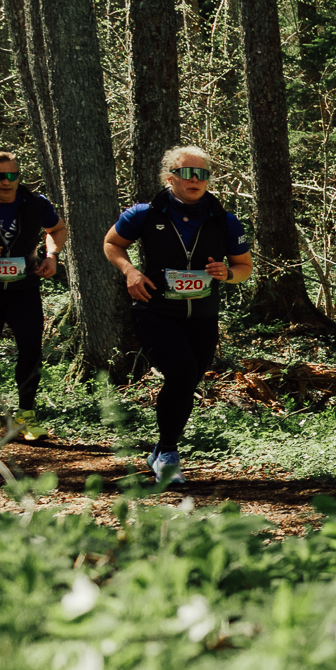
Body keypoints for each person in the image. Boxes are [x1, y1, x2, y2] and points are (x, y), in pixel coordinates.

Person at [102, 146, 254, 481]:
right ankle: (168, 455)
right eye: (188, 173)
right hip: (155, 310)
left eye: (203, 174)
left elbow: (244, 267)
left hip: (202, 315)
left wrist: (227, 274)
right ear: (170, 177)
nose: (196, 180)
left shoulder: (223, 219)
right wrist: (130, 271)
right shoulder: (145, 213)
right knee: (183, 373)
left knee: (187, 381)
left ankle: (159, 451)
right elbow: (112, 243)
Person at [0, 150, 64, 440]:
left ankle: (27, 415)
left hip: (23, 289)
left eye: (12, 176)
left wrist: (52, 256)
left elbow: (56, 229)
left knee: (31, 351)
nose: (6, 182)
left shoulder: (35, 203)